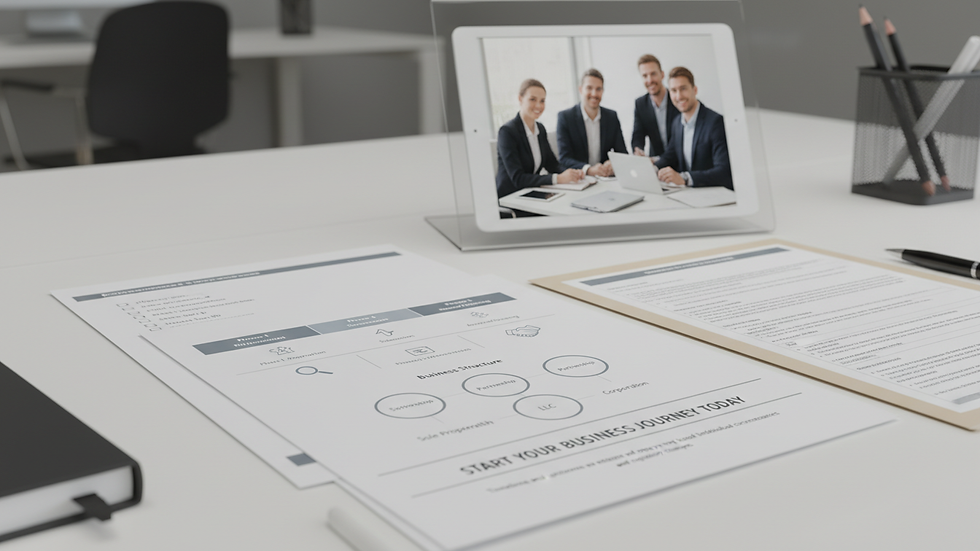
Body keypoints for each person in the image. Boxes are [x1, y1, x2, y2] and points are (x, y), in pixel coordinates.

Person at [496, 79, 584, 199]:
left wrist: (572, 173)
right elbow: (518, 178)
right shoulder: (507, 132)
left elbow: (552, 165)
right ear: (520, 99)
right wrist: (558, 178)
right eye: (532, 99)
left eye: (542, 101)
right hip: (511, 197)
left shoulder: (540, 129)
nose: (539, 105)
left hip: (531, 193)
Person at [654, 67, 733, 190]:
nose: (678, 96)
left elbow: (724, 171)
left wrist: (685, 178)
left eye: (683, 89)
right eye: (674, 90)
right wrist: (652, 169)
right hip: (690, 195)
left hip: (713, 194)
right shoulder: (677, 123)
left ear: (694, 90)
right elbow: (669, 156)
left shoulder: (715, 122)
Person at [555, 69, 627, 177]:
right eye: (589, 88)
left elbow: (622, 153)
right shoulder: (565, 117)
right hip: (580, 178)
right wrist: (588, 170)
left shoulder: (611, 117)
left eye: (598, 89)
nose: (594, 94)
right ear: (580, 89)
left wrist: (613, 163)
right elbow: (564, 158)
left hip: (605, 178)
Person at [631, 54, 680, 161]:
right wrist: (638, 151)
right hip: (656, 164)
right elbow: (638, 135)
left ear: (662, 75)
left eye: (653, 74)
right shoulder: (640, 104)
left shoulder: (677, 99)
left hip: (679, 161)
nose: (649, 80)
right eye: (645, 76)